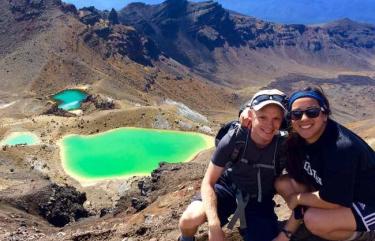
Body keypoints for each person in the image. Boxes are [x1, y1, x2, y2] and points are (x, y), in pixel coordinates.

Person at [178, 89, 288, 241]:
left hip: (259, 198)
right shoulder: (235, 138)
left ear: (283, 120)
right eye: (262, 117)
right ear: (251, 115)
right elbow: (208, 182)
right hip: (227, 188)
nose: (269, 124)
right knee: (188, 220)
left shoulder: (284, 145)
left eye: (276, 118)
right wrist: (214, 226)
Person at [272, 87, 375, 241]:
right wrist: (285, 235)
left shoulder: (341, 148)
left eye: (312, 112)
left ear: (325, 114)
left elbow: (334, 200)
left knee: (314, 220)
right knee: (284, 183)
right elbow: (263, 117)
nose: (304, 119)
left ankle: (364, 235)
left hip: (367, 202)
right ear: (291, 119)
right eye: (297, 114)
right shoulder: (299, 139)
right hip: (340, 195)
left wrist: (299, 198)